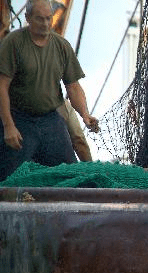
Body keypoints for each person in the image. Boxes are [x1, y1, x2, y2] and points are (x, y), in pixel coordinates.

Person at [0, 0, 99, 181]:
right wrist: (8, 126)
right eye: (40, 19)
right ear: (28, 18)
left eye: (49, 18)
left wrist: (85, 114)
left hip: (51, 121)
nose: (45, 24)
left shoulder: (61, 46)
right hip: (20, 120)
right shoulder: (13, 43)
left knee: (71, 175)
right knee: (8, 178)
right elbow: (2, 86)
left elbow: (73, 86)